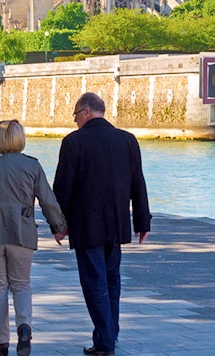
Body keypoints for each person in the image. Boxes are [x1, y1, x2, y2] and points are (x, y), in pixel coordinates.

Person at [53, 92, 151, 356]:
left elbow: (63, 188)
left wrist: (58, 224)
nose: (75, 122)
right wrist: (142, 221)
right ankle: (107, 336)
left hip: (86, 225)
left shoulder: (74, 142)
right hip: (116, 224)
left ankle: (106, 342)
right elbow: (137, 183)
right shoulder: (127, 140)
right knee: (112, 281)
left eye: (75, 116)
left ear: (85, 112)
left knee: (94, 283)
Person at [0, 120, 66, 356]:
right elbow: (48, 201)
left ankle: (2, 343)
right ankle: (24, 329)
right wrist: (59, 226)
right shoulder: (33, 166)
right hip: (22, 234)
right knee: (21, 285)